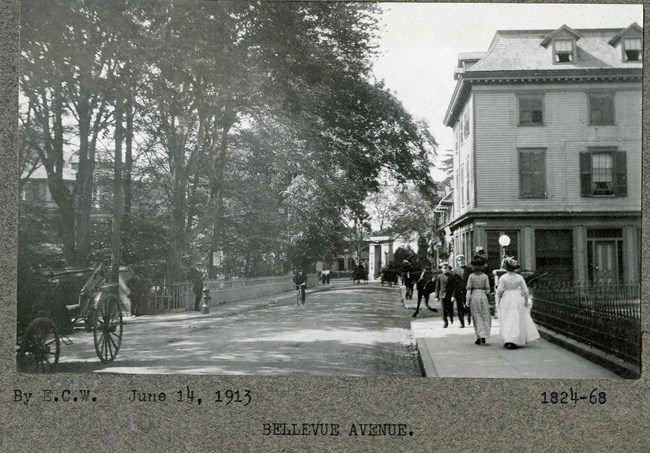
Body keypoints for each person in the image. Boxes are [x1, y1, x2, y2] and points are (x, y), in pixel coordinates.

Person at [496, 257, 540, 349]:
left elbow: (499, 291)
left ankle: (509, 339)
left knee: (507, 317)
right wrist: (526, 301)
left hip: (507, 297)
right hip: (516, 297)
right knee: (516, 318)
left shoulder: (503, 278)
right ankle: (515, 338)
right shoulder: (519, 277)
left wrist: (498, 301)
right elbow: (525, 291)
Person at [466, 259, 492, 345]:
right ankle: (483, 335)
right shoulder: (485, 276)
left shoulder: (471, 276)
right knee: (484, 315)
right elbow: (488, 290)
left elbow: (469, 289)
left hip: (474, 295)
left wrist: (467, 300)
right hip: (483, 296)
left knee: (476, 316)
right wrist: (484, 292)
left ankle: (479, 336)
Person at [435, 263, 457, 328]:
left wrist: (453, 296)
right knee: (443, 309)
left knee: (450, 308)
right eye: (443, 268)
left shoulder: (451, 276)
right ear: (442, 269)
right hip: (442, 295)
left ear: (448, 269)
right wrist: (436, 296)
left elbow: (454, 287)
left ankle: (451, 317)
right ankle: (445, 321)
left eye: (446, 268)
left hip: (450, 295)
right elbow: (437, 287)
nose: (445, 269)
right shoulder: (439, 276)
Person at [453, 255, 469, 327]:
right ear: (457, 262)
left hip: (467, 291)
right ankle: (462, 323)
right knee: (459, 308)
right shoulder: (455, 271)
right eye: (459, 260)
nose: (460, 261)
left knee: (468, 306)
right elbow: (453, 283)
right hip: (458, 291)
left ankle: (469, 317)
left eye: (462, 260)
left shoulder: (468, 269)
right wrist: (453, 294)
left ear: (464, 260)